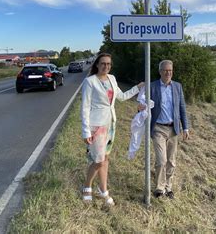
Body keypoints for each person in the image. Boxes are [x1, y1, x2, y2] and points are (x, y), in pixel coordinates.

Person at [81, 53, 144, 205]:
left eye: (109, 64)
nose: (106, 66)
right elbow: (84, 107)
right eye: (103, 63)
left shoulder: (112, 78)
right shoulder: (90, 81)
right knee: (98, 160)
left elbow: (121, 97)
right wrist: (86, 131)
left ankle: (103, 190)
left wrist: (137, 87)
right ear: (97, 64)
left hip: (111, 125)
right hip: (97, 126)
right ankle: (87, 187)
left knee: (105, 158)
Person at [147, 60, 190, 199]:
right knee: (161, 160)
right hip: (158, 128)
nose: (168, 73)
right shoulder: (152, 87)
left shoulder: (177, 86)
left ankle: (168, 187)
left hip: (173, 129)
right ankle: (159, 188)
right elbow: (143, 104)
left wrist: (186, 128)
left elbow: (182, 107)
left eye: (170, 70)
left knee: (171, 161)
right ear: (160, 72)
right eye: (165, 70)